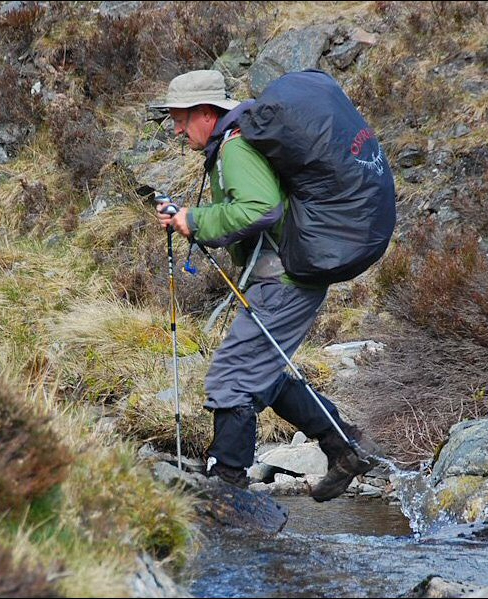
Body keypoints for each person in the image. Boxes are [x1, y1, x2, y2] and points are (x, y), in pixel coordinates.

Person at [151, 70, 381, 502]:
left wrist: (195, 221)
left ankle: (228, 487)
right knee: (265, 373)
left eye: (181, 118)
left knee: (232, 379)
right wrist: (189, 216)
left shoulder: (235, 148)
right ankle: (345, 447)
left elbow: (260, 209)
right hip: (288, 276)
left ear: (205, 113)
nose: (178, 128)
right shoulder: (238, 143)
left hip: (284, 282)